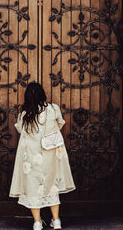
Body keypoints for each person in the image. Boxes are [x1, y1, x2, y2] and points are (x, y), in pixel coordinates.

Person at [10, 82, 75, 230]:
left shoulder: (25, 112)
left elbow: (20, 129)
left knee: (33, 187)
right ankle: (56, 220)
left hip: (31, 157)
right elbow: (60, 123)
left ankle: (37, 223)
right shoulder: (53, 108)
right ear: (42, 94)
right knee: (52, 186)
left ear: (27, 96)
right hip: (50, 154)